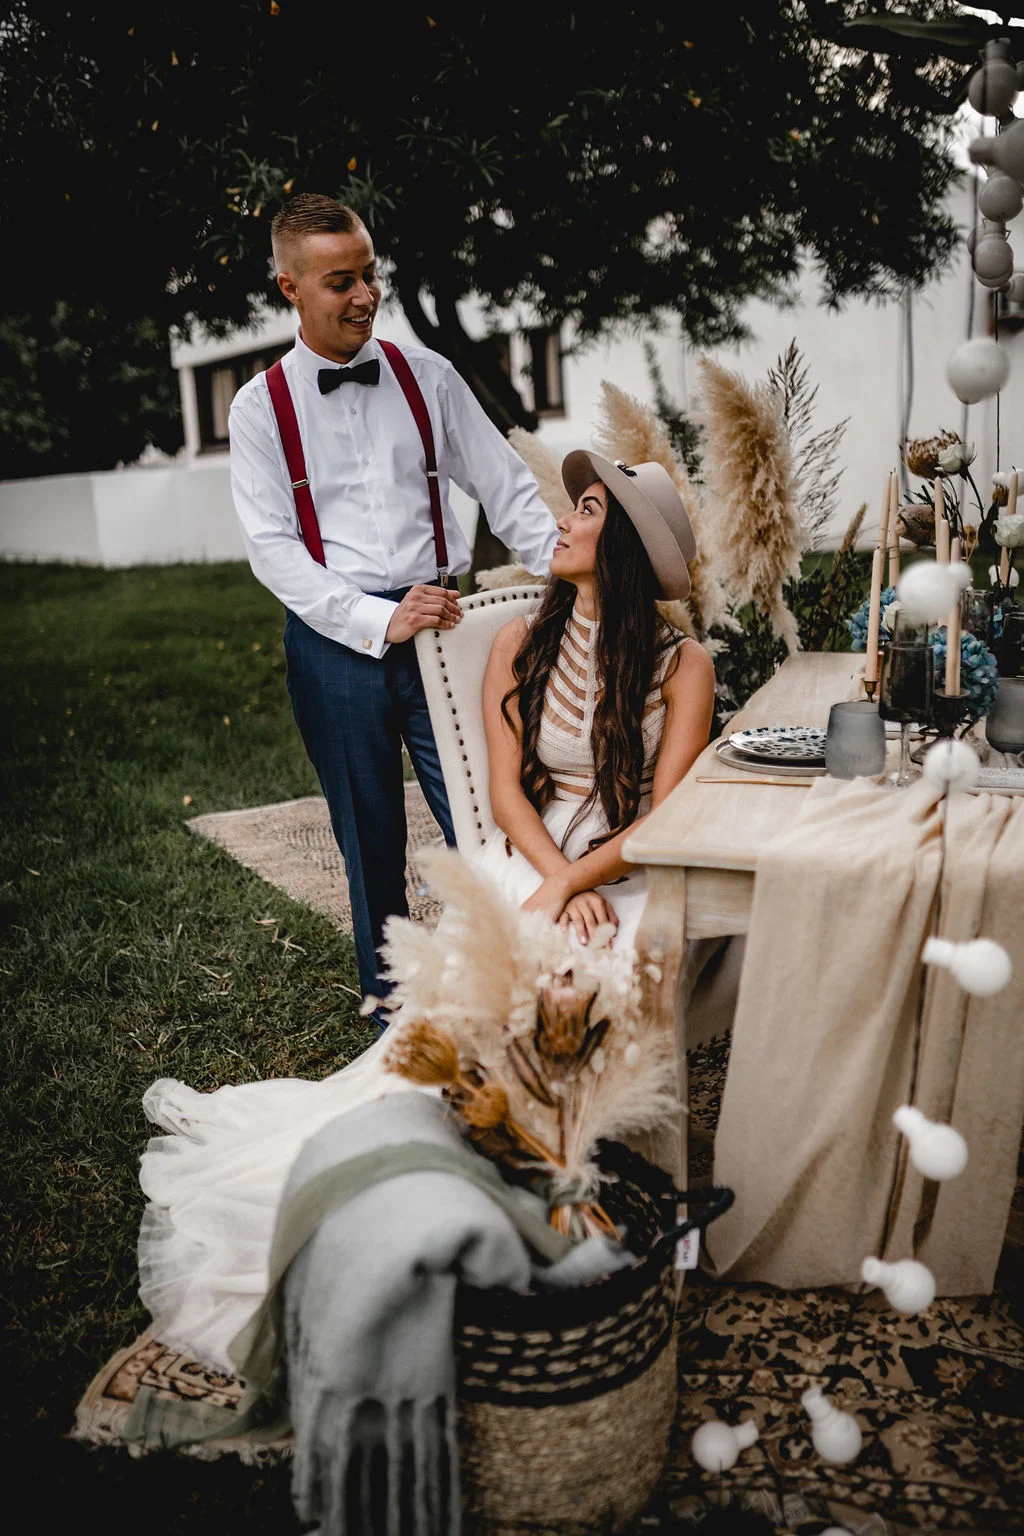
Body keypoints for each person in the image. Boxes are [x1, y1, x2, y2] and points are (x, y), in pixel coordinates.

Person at [136, 450, 714, 1373]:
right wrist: (554, 880)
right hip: (534, 853)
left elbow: (665, 817)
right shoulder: (521, 641)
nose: (561, 522)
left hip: (626, 864)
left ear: (627, 547)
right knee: (510, 969)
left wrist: (584, 883)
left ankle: (582, 1181)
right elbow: (506, 796)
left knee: (605, 970)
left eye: (588, 510)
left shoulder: (687, 665)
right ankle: (457, 1176)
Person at [229, 193, 557, 1029]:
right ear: (289, 289)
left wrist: (568, 578)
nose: (366, 295)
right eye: (341, 281)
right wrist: (376, 621)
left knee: (484, 814)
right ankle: (390, 1009)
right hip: (335, 645)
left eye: (370, 274)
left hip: (446, 634)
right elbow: (273, 550)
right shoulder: (259, 409)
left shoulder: (429, 377)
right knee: (368, 836)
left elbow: (507, 486)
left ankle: (518, 979)